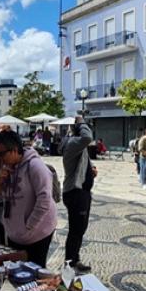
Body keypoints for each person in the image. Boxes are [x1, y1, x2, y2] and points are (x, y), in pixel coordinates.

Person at [0, 129, 58, 264]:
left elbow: (45, 199)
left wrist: (28, 226)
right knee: (15, 273)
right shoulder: (7, 167)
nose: (0, 158)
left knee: (34, 274)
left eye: (2, 153)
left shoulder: (35, 166)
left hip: (37, 234)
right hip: (14, 234)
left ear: (15, 150)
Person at [61, 116, 95, 272]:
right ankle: (70, 263)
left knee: (80, 228)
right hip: (75, 193)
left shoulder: (77, 145)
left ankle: (75, 259)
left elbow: (84, 161)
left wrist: (90, 170)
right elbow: (87, 137)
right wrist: (81, 122)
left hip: (82, 191)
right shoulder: (73, 143)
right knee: (76, 229)